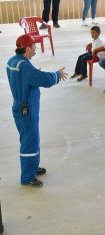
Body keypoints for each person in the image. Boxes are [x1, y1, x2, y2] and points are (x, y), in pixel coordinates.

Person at [6, 34, 68, 187]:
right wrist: (57, 74)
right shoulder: (25, 66)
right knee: (30, 142)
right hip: (27, 110)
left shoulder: (13, 61)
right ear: (27, 48)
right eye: (34, 47)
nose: (35, 49)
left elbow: (26, 78)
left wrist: (33, 75)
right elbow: (44, 80)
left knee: (32, 139)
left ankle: (32, 167)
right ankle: (27, 177)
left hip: (21, 107)